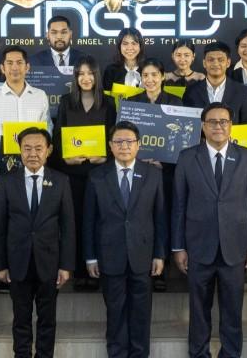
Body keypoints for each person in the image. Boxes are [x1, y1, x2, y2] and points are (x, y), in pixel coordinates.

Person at [171, 102, 247, 358]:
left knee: (232, 310)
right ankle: (199, 353)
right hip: (198, 246)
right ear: (203, 126)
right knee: (198, 310)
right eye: (212, 122)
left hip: (236, 247)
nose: (218, 126)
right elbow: (178, 205)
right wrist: (178, 247)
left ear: (231, 125)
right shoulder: (187, 157)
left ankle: (231, 354)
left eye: (223, 121)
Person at [82, 121, 167, 358]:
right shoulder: (97, 176)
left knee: (141, 314)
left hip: (143, 255)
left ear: (138, 145)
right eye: (118, 142)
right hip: (110, 255)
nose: (124, 146)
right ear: (110, 146)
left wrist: (159, 254)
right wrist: (90, 257)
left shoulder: (153, 174)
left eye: (129, 141)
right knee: (115, 313)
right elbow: (89, 220)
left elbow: (160, 217)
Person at [0, 128, 75, 358]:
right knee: (21, 319)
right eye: (27, 148)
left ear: (49, 150)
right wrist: (0, 264)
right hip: (17, 262)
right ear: (19, 151)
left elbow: (68, 227)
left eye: (39, 148)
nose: (32, 154)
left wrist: (66, 265)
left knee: (47, 319)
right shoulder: (7, 182)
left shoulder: (61, 181)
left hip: (49, 262)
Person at [52, 56, 116, 291]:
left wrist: (106, 158)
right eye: (81, 74)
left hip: (100, 173)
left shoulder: (109, 102)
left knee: (101, 221)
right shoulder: (66, 101)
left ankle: (100, 270)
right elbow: (57, 136)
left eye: (90, 73)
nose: (86, 78)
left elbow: (114, 137)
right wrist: (65, 159)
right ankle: (80, 272)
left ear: (97, 76)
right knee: (77, 222)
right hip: (73, 173)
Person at [124, 58, 181, 292]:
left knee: (162, 217)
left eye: (154, 75)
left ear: (163, 76)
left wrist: (163, 161)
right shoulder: (131, 103)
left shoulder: (176, 103)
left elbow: (181, 141)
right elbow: (124, 139)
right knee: (141, 218)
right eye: (145, 75)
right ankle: (139, 265)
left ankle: (161, 270)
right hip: (138, 172)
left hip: (166, 173)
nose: (150, 80)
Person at [0, 46, 51, 187]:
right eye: (9, 63)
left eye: (19, 62)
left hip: (34, 161)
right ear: (2, 68)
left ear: (27, 67)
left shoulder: (40, 96)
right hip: (1, 164)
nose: (15, 67)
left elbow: (46, 131)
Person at [183, 41, 247, 124]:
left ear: (228, 63)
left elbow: (246, 124)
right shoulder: (191, 91)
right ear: (204, 63)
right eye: (211, 60)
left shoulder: (241, 91)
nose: (215, 63)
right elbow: (186, 123)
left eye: (220, 60)